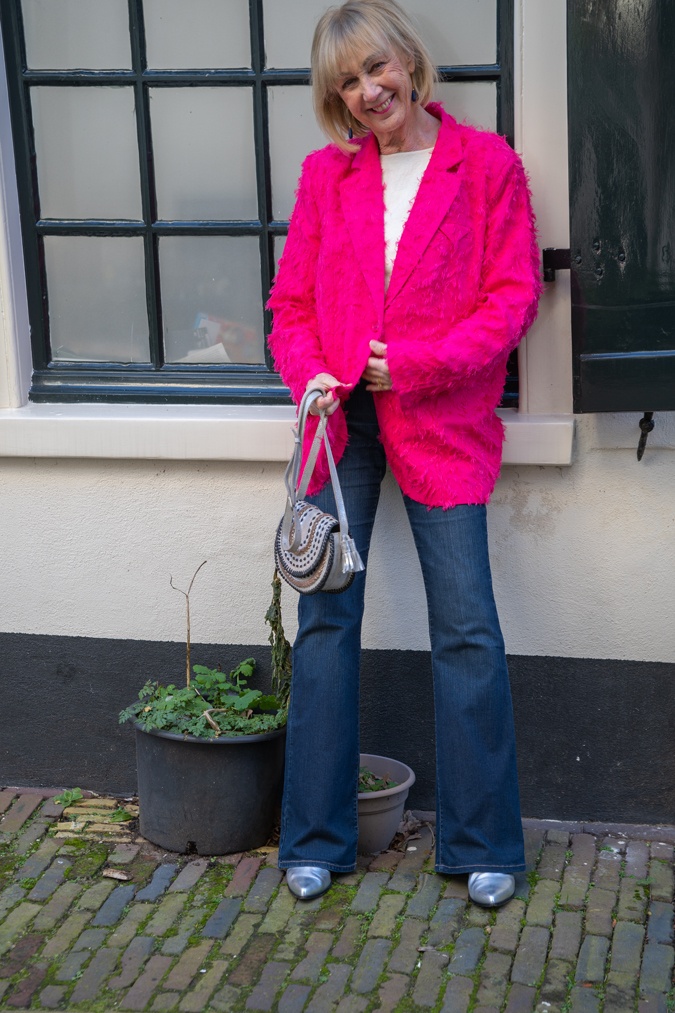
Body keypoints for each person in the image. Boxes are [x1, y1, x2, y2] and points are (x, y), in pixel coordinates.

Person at [267, 0, 541, 907]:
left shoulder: (485, 165)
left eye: (376, 68)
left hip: (442, 418)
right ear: (335, 98)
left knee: (465, 626)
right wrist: (308, 373)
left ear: (409, 64)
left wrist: (415, 364)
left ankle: (483, 842)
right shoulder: (323, 177)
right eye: (346, 81)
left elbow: (510, 300)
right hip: (339, 421)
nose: (367, 90)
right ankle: (313, 837)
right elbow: (291, 306)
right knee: (325, 624)